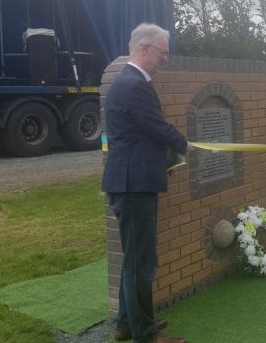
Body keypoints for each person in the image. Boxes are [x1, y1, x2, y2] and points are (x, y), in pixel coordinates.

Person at [102, 23, 188, 343]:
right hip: (133, 186)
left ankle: (127, 324)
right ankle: (146, 334)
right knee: (141, 263)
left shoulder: (129, 83)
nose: (165, 59)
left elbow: (141, 135)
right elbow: (157, 128)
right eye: (163, 53)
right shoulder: (134, 84)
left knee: (134, 259)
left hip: (131, 182)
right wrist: (185, 146)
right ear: (144, 49)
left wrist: (166, 159)